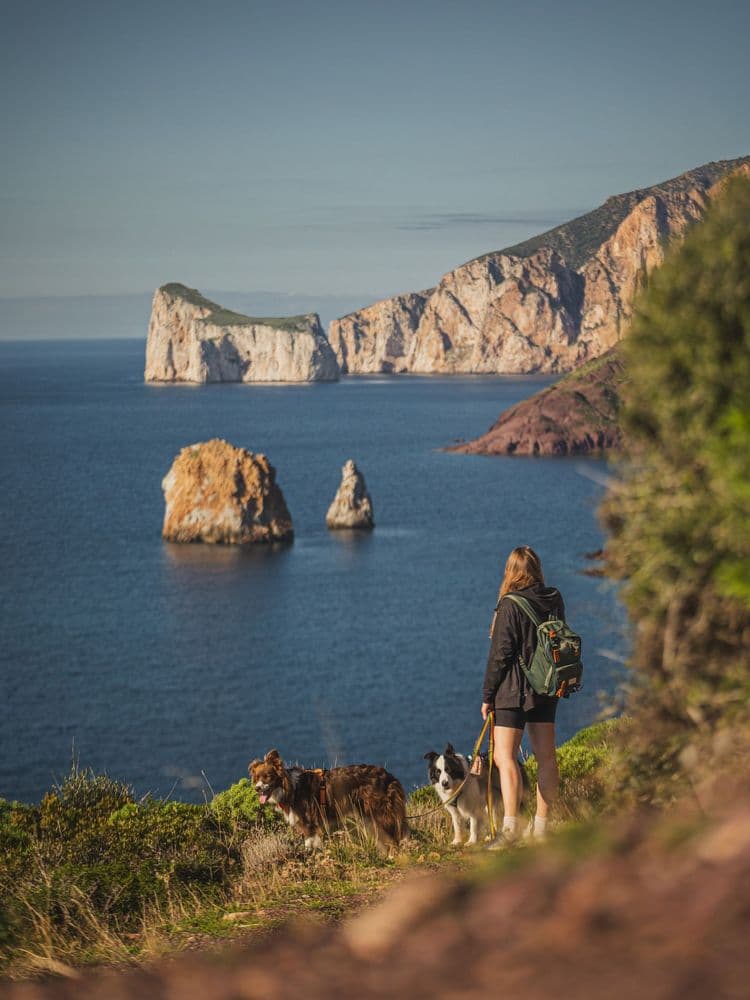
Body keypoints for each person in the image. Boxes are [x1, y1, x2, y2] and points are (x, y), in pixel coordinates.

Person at [481, 545, 563, 845]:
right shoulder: (553, 599)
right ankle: (541, 827)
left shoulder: (509, 605)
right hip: (546, 687)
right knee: (546, 758)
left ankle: (510, 829)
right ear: (537, 569)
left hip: (512, 691)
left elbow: (499, 656)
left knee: (505, 757)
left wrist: (487, 696)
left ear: (510, 572)